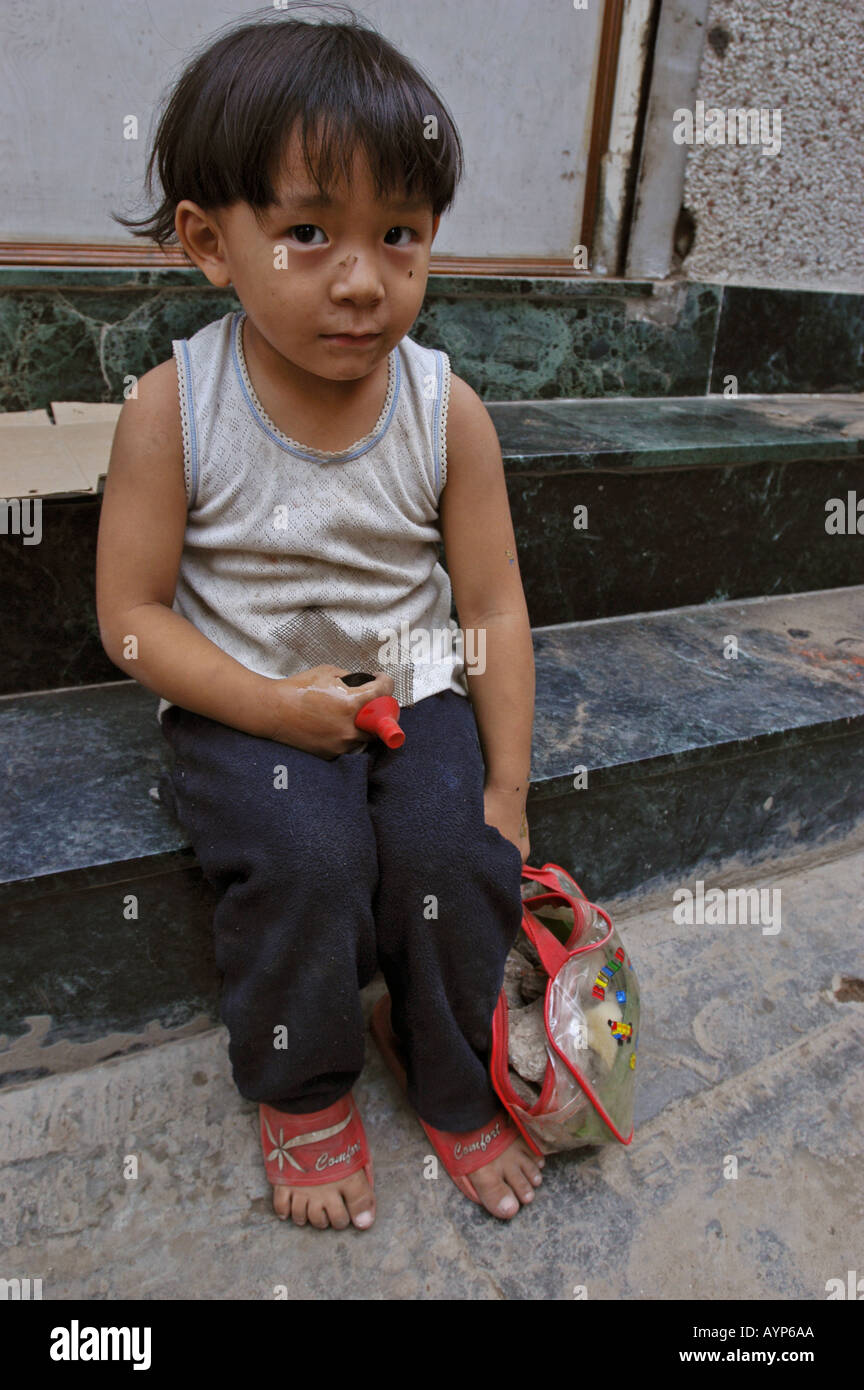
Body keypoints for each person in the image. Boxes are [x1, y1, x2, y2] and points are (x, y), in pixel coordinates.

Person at [97, 4, 542, 1232]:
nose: (362, 277)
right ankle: (300, 1083)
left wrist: (506, 781)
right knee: (312, 857)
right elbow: (131, 621)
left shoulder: (446, 413)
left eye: (399, 234)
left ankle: (451, 1068)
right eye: (308, 233)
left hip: (419, 687)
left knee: (455, 855)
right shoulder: (173, 410)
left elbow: (494, 604)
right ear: (209, 242)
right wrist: (272, 708)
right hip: (245, 697)